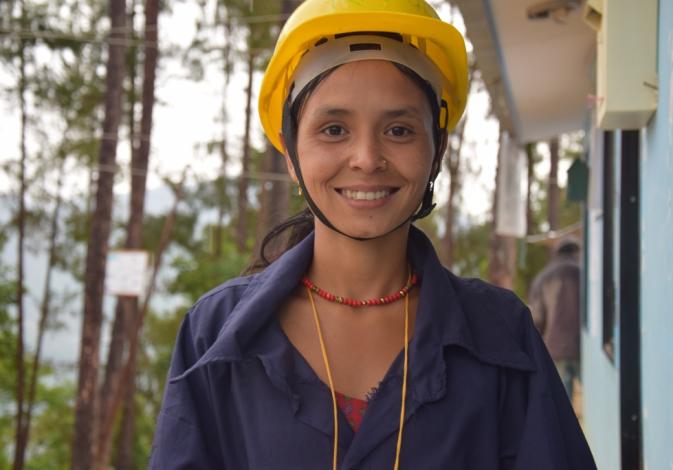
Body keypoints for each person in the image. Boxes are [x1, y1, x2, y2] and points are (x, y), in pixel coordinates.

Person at [149, 1, 596, 468]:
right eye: (334, 129)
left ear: (436, 149)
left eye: (399, 130)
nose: (366, 157)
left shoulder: (501, 333)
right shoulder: (213, 334)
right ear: (291, 153)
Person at [529, 237, 582, 401]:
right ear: (575, 251)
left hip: (555, 347)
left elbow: (537, 318)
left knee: (563, 403)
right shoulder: (583, 273)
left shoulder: (543, 278)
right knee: (595, 399)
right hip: (583, 346)